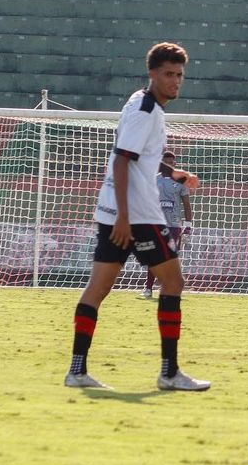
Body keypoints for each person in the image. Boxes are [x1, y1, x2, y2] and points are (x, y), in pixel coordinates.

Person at [64, 42, 210, 391]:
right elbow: (121, 160)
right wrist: (125, 219)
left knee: (97, 290)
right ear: (153, 74)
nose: (175, 81)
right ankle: (169, 372)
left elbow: (137, 155)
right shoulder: (146, 110)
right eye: (169, 74)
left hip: (113, 211)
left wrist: (172, 173)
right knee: (173, 283)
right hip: (137, 215)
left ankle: (77, 372)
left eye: (180, 75)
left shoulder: (139, 101)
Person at [140, 151, 197, 300]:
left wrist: (188, 226)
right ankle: (148, 288)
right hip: (156, 224)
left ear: (175, 164)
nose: (169, 165)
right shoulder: (153, 180)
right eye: (166, 162)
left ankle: (169, 288)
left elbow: (186, 204)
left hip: (174, 226)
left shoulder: (181, 182)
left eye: (171, 162)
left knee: (171, 259)